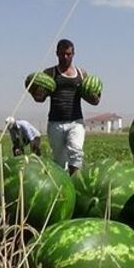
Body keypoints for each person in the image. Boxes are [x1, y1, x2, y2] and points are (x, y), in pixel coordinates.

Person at [32, 38, 100, 175]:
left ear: (73, 54)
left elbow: (95, 100)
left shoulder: (82, 74)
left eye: (68, 54)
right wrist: (33, 91)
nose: (65, 57)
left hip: (76, 122)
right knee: (59, 161)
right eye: (62, 54)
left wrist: (94, 96)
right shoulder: (50, 73)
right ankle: (63, 188)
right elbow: (40, 99)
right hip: (55, 123)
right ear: (56, 53)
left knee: (76, 153)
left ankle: (76, 183)